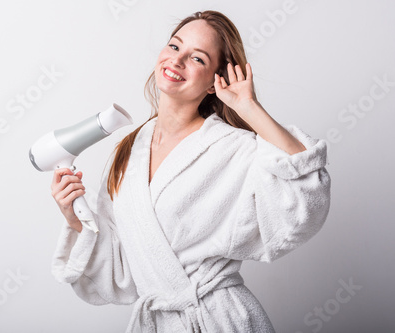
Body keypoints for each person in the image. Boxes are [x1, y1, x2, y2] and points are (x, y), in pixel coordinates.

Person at [50, 10, 331, 333]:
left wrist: (248, 107)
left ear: (216, 81)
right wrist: (75, 217)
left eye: (197, 58)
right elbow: (122, 274)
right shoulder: (129, 152)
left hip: (220, 320)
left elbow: (305, 197)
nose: (177, 60)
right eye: (174, 46)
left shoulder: (231, 148)